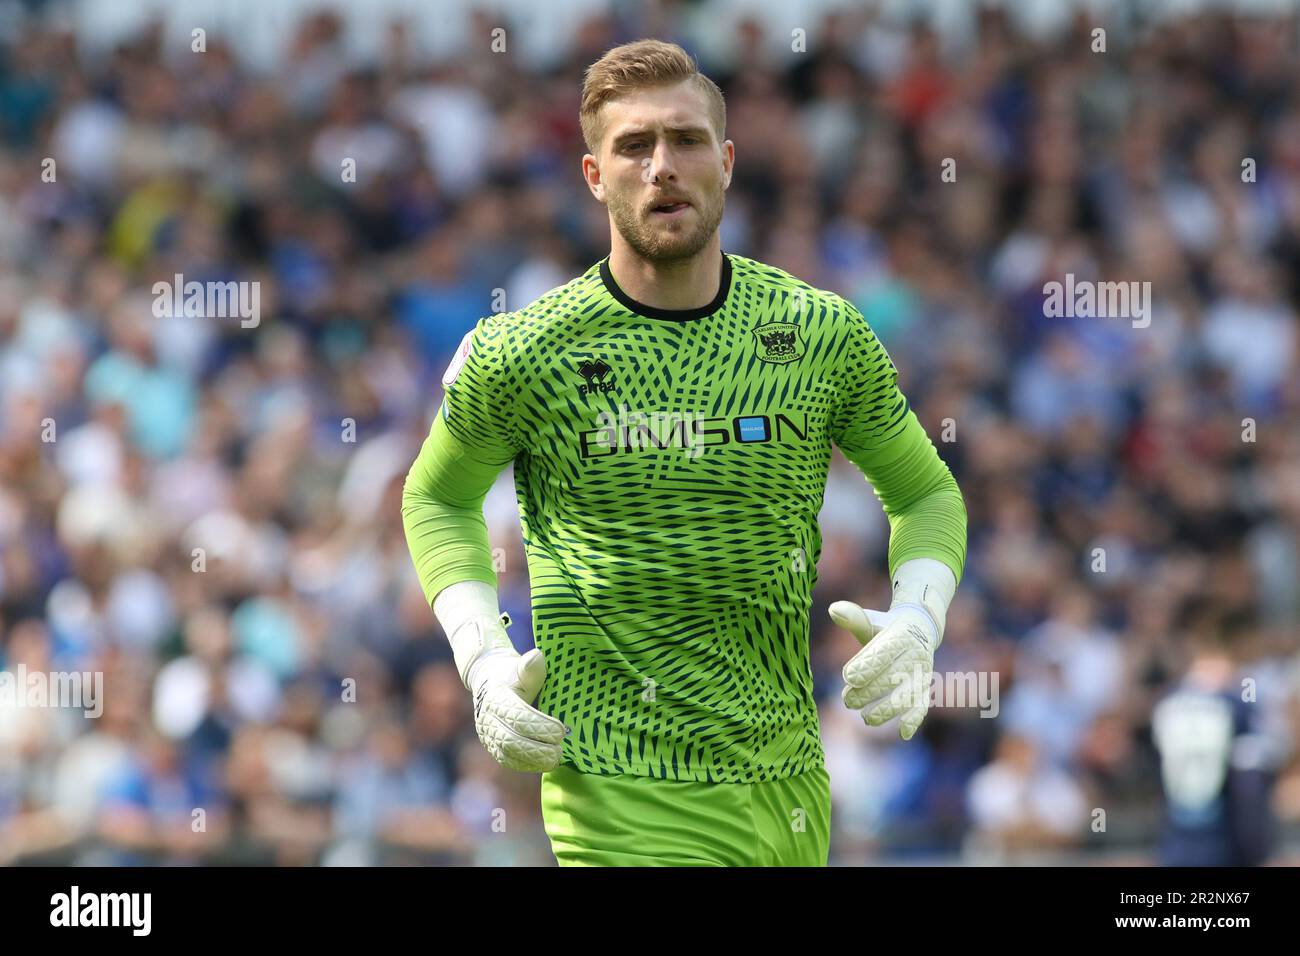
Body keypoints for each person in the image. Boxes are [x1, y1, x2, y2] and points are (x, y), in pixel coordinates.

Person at [402, 39, 967, 866]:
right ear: (595, 176)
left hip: (790, 789)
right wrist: (481, 657)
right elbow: (436, 498)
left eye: (687, 140)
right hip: (619, 791)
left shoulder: (820, 334)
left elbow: (927, 496)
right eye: (634, 146)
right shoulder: (521, 351)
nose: (663, 166)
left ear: (727, 162)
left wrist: (919, 619)